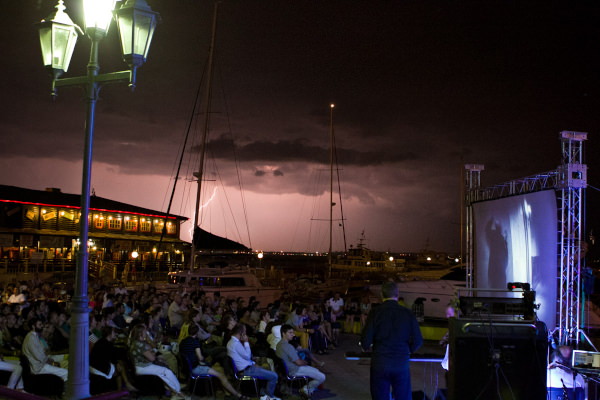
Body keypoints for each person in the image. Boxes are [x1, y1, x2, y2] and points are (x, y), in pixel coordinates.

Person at [361, 281, 423, 400]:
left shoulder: (375, 312)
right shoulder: (407, 313)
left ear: (382, 294)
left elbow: (365, 341)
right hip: (400, 362)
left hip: (380, 362)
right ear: (397, 294)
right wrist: (407, 351)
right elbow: (418, 340)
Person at [179, 324, 249, 400]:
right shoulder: (195, 342)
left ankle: (229, 389)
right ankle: (237, 395)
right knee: (221, 375)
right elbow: (200, 358)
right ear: (197, 333)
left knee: (219, 358)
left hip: (189, 368)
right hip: (196, 367)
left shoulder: (183, 342)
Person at [128, 324, 186, 399]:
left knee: (164, 370)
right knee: (165, 371)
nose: (146, 332)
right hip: (142, 368)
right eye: (144, 331)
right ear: (140, 333)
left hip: (141, 366)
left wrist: (153, 353)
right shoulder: (139, 345)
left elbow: (150, 353)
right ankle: (177, 392)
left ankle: (175, 389)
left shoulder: (136, 342)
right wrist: (154, 354)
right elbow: (152, 358)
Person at [227, 323, 280, 400]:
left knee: (267, 368)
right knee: (274, 376)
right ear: (241, 333)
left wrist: (252, 363)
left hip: (246, 367)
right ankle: (269, 396)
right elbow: (247, 356)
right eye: (245, 332)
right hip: (246, 370)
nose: (246, 334)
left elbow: (243, 358)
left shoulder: (231, 342)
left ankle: (264, 393)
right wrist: (246, 342)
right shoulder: (235, 344)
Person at [276, 324, 326, 398]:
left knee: (316, 370)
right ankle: (305, 389)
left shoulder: (279, 344)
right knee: (322, 376)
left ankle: (308, 389)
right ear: (283, 333)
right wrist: (306, 363)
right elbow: (298, 362)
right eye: (290, 333)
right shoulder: (288, 346)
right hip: (294, 370)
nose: (293, 335)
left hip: (287, 369)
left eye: (293, 332)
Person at [22, 317, 68, 381]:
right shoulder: (31, 338)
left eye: (41, 324)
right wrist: (52, 363)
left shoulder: (34, 336)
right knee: (66, 373)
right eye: (39, 325)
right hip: (38, 368)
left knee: (64, 369)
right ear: (33, 326)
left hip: (41, 365)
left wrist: (50, 360)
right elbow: (39, 356)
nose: (42, 326)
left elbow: (43, 353)